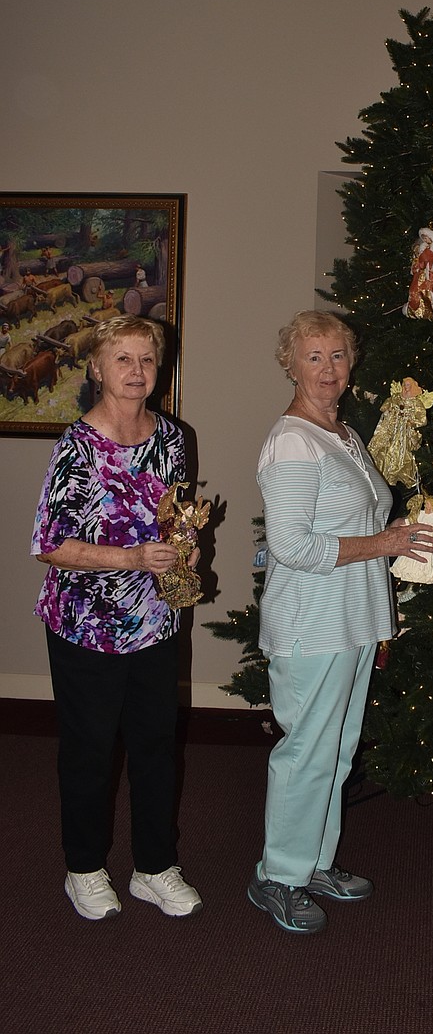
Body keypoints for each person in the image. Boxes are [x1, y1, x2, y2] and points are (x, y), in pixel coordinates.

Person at [249, 310, 433, 935]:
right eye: (313, 357)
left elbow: (358, 516)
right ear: (290, 365)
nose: (327, 369)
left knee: (339, 747)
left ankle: (314, 862)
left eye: (337, 356)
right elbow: (292, 547)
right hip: (311, 621)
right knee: (306, 751)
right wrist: (383, 544)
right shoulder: (293, 442)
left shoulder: (344, 434)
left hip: (353, 618)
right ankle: (278, 876)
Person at [31, 313, 202, 921]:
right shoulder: (76, 446)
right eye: (122, 360)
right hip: (85, 624)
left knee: (157, 745)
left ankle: (155, 867)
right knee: (90, 751)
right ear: (97, 368)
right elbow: (49, 544)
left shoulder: (174, 439)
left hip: (154, 620)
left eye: (147, 360)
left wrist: (183, 552)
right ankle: (85, 867)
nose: (136, 371)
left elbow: (175, 518)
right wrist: (130, 556)